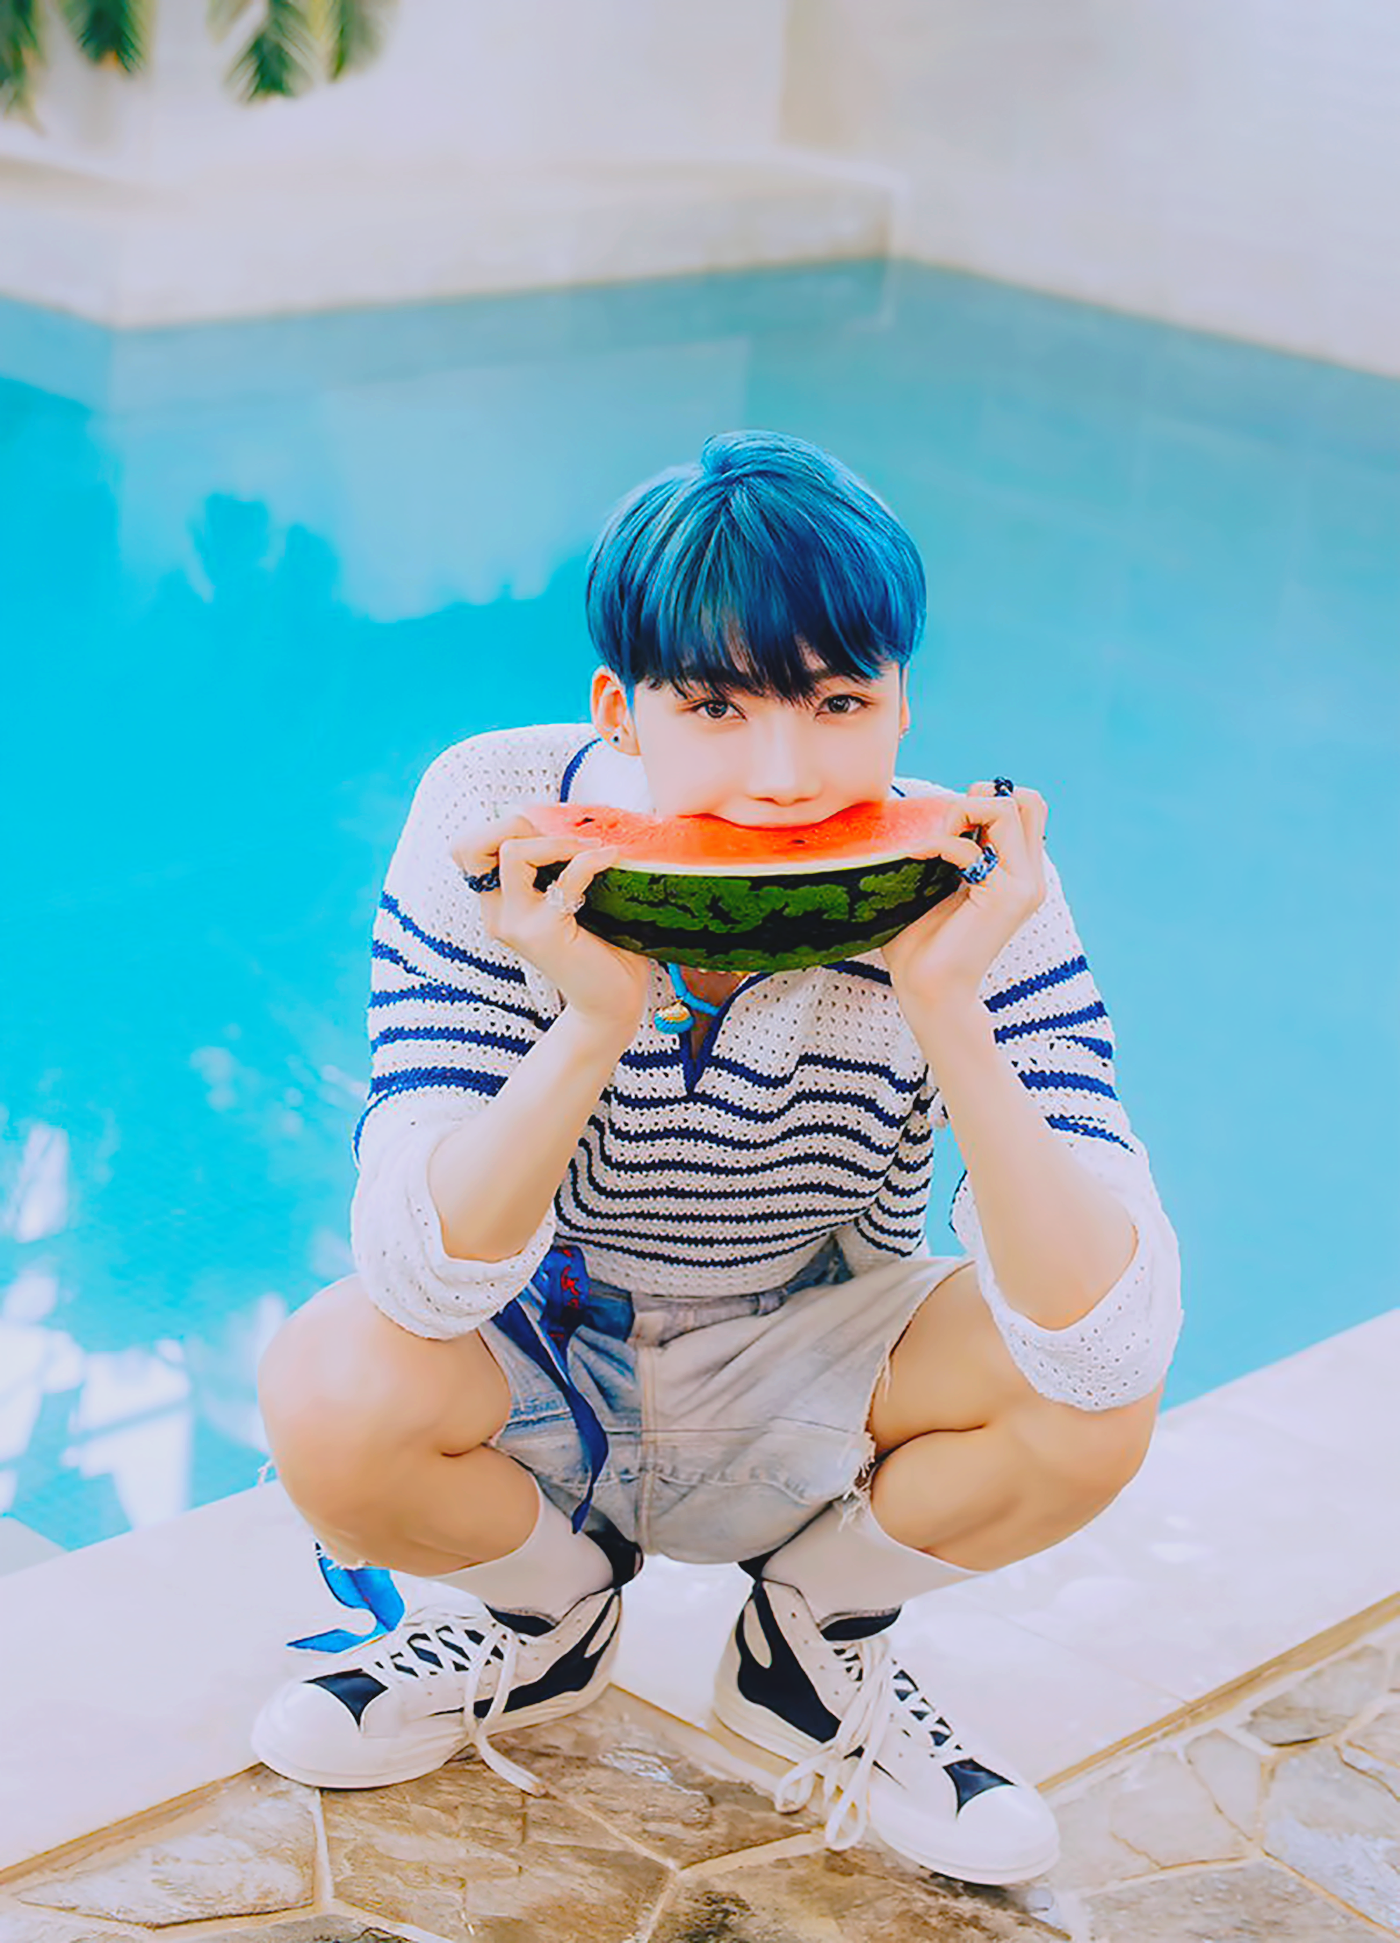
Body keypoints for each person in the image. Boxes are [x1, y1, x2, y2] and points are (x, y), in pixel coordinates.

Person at [252, 430, 1181, 1887]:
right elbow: (424, 1281)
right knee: (330, 1388)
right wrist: (591, 1016)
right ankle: (546, 1620)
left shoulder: (975, 883)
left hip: (816, 1342)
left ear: (902, 700)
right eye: (715, 705)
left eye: (838, 700)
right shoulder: (490, 818)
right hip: (544, 1346)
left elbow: (1107, 1336)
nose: (787, 776)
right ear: (619, 708)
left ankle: (809, 1644)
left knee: (1092, 1400)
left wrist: (948, 1001)